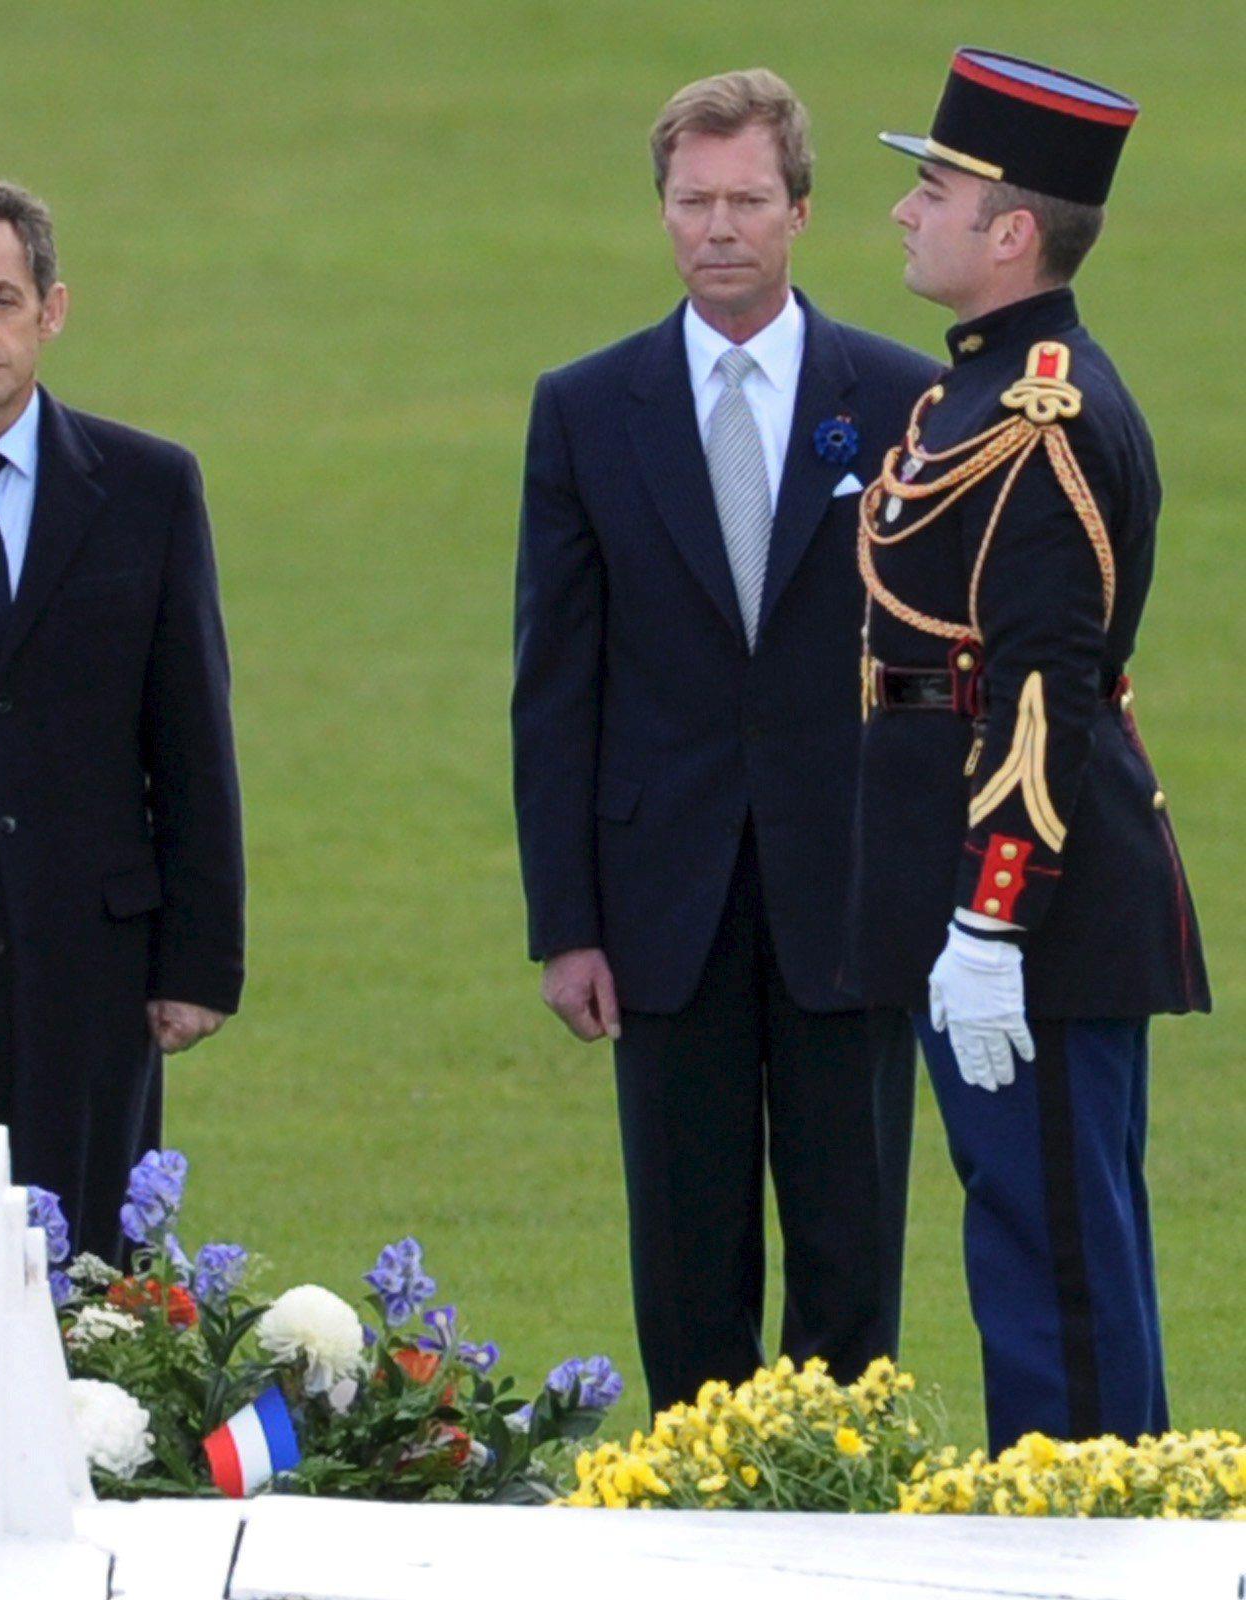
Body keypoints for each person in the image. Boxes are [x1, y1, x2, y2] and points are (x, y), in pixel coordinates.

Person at [512, 71, 934, 1413]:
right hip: (661, 903)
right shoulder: (586, 409)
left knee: (850, 1244)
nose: (718, 229)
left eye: (748, 199)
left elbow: (938, 668)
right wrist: (564, 922)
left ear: (802, 211)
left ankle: (843, 1516)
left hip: (854, 893)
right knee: (687, 1259)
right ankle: (700, 1523)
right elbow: (553, 682)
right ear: (662, 214)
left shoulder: (904, 399)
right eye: (692, 202)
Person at [854, 50, 1207, 1449]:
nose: (903, 213)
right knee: (1041, 1235)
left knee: (1056, 1260)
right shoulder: (978, 396)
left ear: (1011, 232)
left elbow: (1042, 693)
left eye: (931, 189)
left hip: (1032, 912)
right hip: (1007, 902)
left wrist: (992, 918)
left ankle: (1096, 1559)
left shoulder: (1038, 417)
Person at [0, 178, 244, 1263]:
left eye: (1, 299)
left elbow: (192, 735)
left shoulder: (149, 488)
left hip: (96, 967)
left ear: (51, 309)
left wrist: (199, 960)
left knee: (86, 1288)